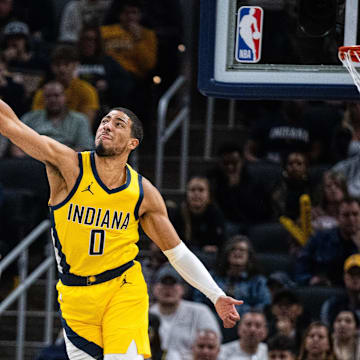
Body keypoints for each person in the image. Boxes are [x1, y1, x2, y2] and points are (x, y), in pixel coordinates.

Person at [0, 101, 242, 359]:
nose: (107, 126)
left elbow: (177, 252)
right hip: (75, 295)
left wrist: (216, 295)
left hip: (122, 288)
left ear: (132, 143)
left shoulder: (143, 193)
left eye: (118, 124)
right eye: (105, 121)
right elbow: (11, 125)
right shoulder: (68, 165)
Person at [150, 264, 222, 360]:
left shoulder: (200, 312)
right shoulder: (146, 314)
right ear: (154, 288)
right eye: (164, 284)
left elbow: (214, 346)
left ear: (183, 288)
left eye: (173, 284)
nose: (168, 289)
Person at [294, 197, 360, 286]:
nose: (351, 219)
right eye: (346, 215)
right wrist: (309, 280)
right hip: (325, 289)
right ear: (338, 217)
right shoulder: (320, 238)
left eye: (355, 214)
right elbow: (302, 266)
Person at [32, 44, 100, 128]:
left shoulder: (87, 90)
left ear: (75, 65)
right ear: (52, 67)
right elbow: (36, 121)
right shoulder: (43, 92)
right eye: (57, 64)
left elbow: (86, 126)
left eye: (66, 64)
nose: (62, 69)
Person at [21, 80, 93, 151]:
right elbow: (16, 146)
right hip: (32, 160)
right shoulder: (29, 118)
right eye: (48, 96)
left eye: (57, 95)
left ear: (65, 97)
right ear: (43, 99)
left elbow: (84, 147)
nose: (52, 100)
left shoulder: (80, 120)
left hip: (68, 160)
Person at [168, 174, 226, 256]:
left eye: (201, 190)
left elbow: (220, 242)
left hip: (207, 257)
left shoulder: (216, 214)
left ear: (209, 194)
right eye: (192, 190)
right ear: (186, 193)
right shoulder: (178, 213)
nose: (196, 194)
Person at [321, 254, 360, 326]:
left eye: (359, 274)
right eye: (352, 273)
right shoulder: (332, 305)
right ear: (344, 277)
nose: (355, 277)